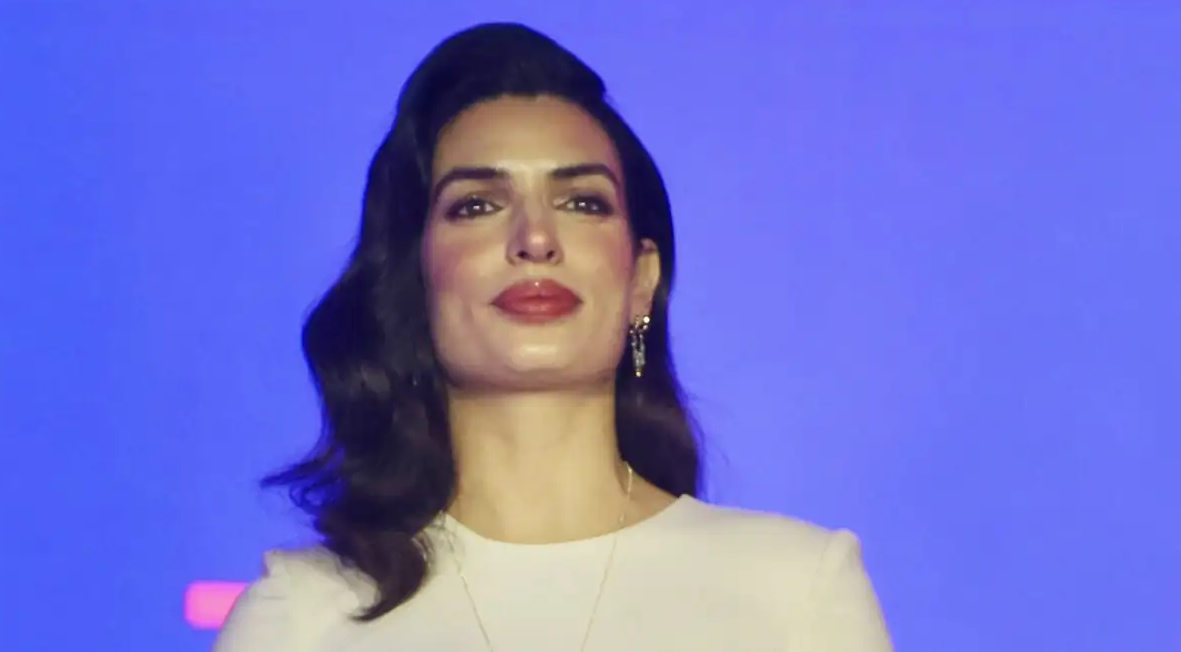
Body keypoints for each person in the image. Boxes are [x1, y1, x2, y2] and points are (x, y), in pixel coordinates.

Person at [212, 21, 894, 652]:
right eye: (477, 205)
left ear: (641, 279)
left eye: (582, 203)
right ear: (414, 278)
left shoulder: (796, 592)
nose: (535, 238)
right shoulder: (305, 616)